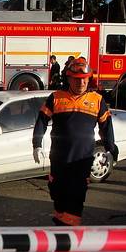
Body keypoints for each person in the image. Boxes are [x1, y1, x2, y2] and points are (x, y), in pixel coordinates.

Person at [32, 57, 118, 227]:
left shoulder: (97, 100)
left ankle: (70, 232)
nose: (81, 83)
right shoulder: (56, 98)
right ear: (69, 79)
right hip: (59, 158)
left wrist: (111, 149)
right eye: (77, 80)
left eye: (84, 80)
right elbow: (41, 120)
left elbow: (106, 126)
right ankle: (60, 223)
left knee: (76, 196)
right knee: (57, 191)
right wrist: (37, 144)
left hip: (82, 159)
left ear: (89, 79)